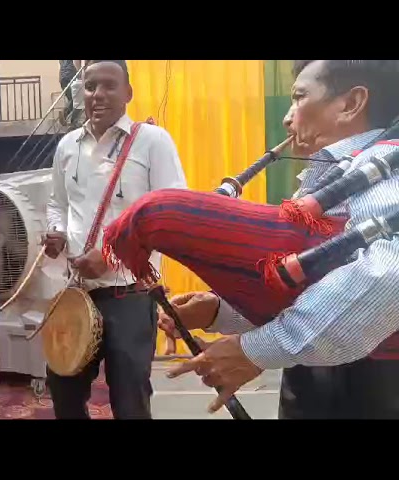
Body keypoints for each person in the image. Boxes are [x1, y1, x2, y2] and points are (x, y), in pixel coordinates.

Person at [158, 60, 399, 419]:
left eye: (300, 98)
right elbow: (310, 285)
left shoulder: (382, 165)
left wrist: (257, 349)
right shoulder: (330, 177)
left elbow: (388, 274)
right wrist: (220, 312)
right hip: (321, 380)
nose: (288, 118)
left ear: (350, 104)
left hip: (368, 389)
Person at [44, 60, 188, 419]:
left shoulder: (152, 141)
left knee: (129, 400)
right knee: (63, 388)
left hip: (129, 294)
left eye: (109, 86)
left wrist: (111, 258)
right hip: (77, 293)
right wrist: (57, 231)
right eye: (90, 86)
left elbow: (170, 215)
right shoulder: (67, 146)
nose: (98, 95)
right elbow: (56, 203)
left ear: (128, 93)